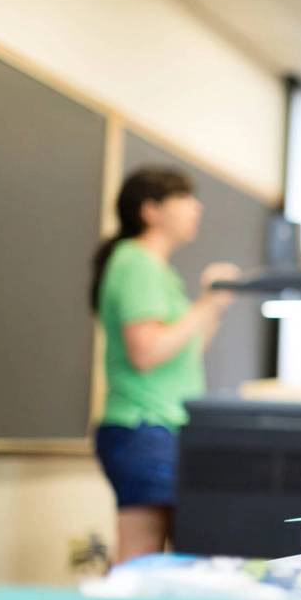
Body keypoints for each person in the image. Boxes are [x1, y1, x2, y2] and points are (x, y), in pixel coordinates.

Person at [90, 167, 239, 562]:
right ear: (151, 210)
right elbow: (147, 352)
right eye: (184, 197)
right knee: (140, 560)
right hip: (142, 426)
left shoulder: (160, 271)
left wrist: (214, 307)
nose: (197, 207)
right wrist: (203, 304)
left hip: (163, 427)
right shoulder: (136, 262)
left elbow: (183, 350)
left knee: (161, 562)